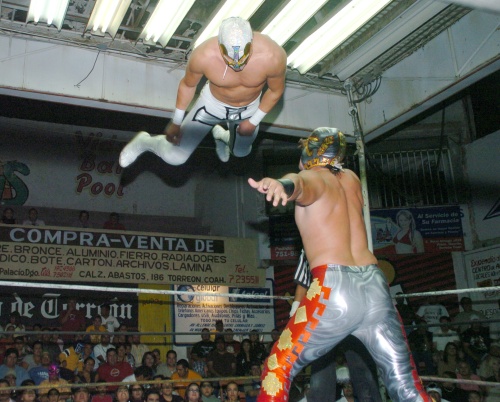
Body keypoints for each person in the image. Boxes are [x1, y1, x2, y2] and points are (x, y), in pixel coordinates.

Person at [247, 127, 431, 402]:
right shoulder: (352, 179)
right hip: (376, 286)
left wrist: (282, 185)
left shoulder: (313, 177)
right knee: (407, 387)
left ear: (309, 152)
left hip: (335, 287)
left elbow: (299, 184)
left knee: (277, 369)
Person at [119, 16, 286, 168]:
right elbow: (188, 85)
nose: (237, 65)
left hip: (248, 109)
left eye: (242, 58)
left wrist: (254, 121)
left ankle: (221, 136)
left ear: (251, 43)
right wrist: (176, 121)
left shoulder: (272, 56)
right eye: (230, 59)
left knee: (241, 152)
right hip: (212, 105)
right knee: (175, 157)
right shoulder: (204, 55)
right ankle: (144, 141)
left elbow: (275, 90)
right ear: (220, 46)